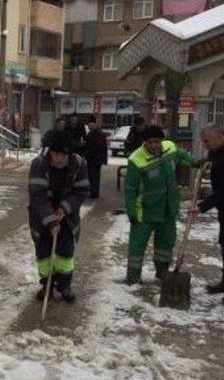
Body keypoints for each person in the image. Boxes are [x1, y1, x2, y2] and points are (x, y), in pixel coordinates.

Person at [124, 124, 198, 284]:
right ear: (144, 142)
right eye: (149, 142)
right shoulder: (136, 159)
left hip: (168, 207)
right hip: (145, 210)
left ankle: (162, 271)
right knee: (137, 245)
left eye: (156, 141)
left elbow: (184, 156)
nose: (153, 145)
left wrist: (197, 162)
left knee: (166, 242)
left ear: (162, 141)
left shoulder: (170, 148)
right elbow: (130, 188)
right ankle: (133, 277)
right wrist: (131, 211)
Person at [28, 132, 89, 302]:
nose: (59, 158)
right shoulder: (39, 164)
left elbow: (81, 190)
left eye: (64, 155)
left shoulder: (79, 164)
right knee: (44, 253)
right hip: (41, 217)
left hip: (68, 217)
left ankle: (64, 285)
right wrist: (51, 221)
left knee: (65, 252)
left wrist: (65, 207)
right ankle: (46, 285)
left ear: (70, 154)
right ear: (49, 152)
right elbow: (37, 196)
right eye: (56, 154)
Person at [190, 124, 224, 294]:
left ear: (220, 137)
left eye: (207, 141)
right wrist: (202, 164)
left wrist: (201, 207)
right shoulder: (216, 151)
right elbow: (212, 161)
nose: (205, 145)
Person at [83, 118, 108, 199]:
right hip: (91, 159)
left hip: (96, 159)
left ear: (95, 124)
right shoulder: (91, 133)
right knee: (91, 176)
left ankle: (94, 193)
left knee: (94, 176)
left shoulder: (98, 134)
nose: (89, 127)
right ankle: (92, 191)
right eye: (88, 125)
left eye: (90, 125)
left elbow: (98, 147)